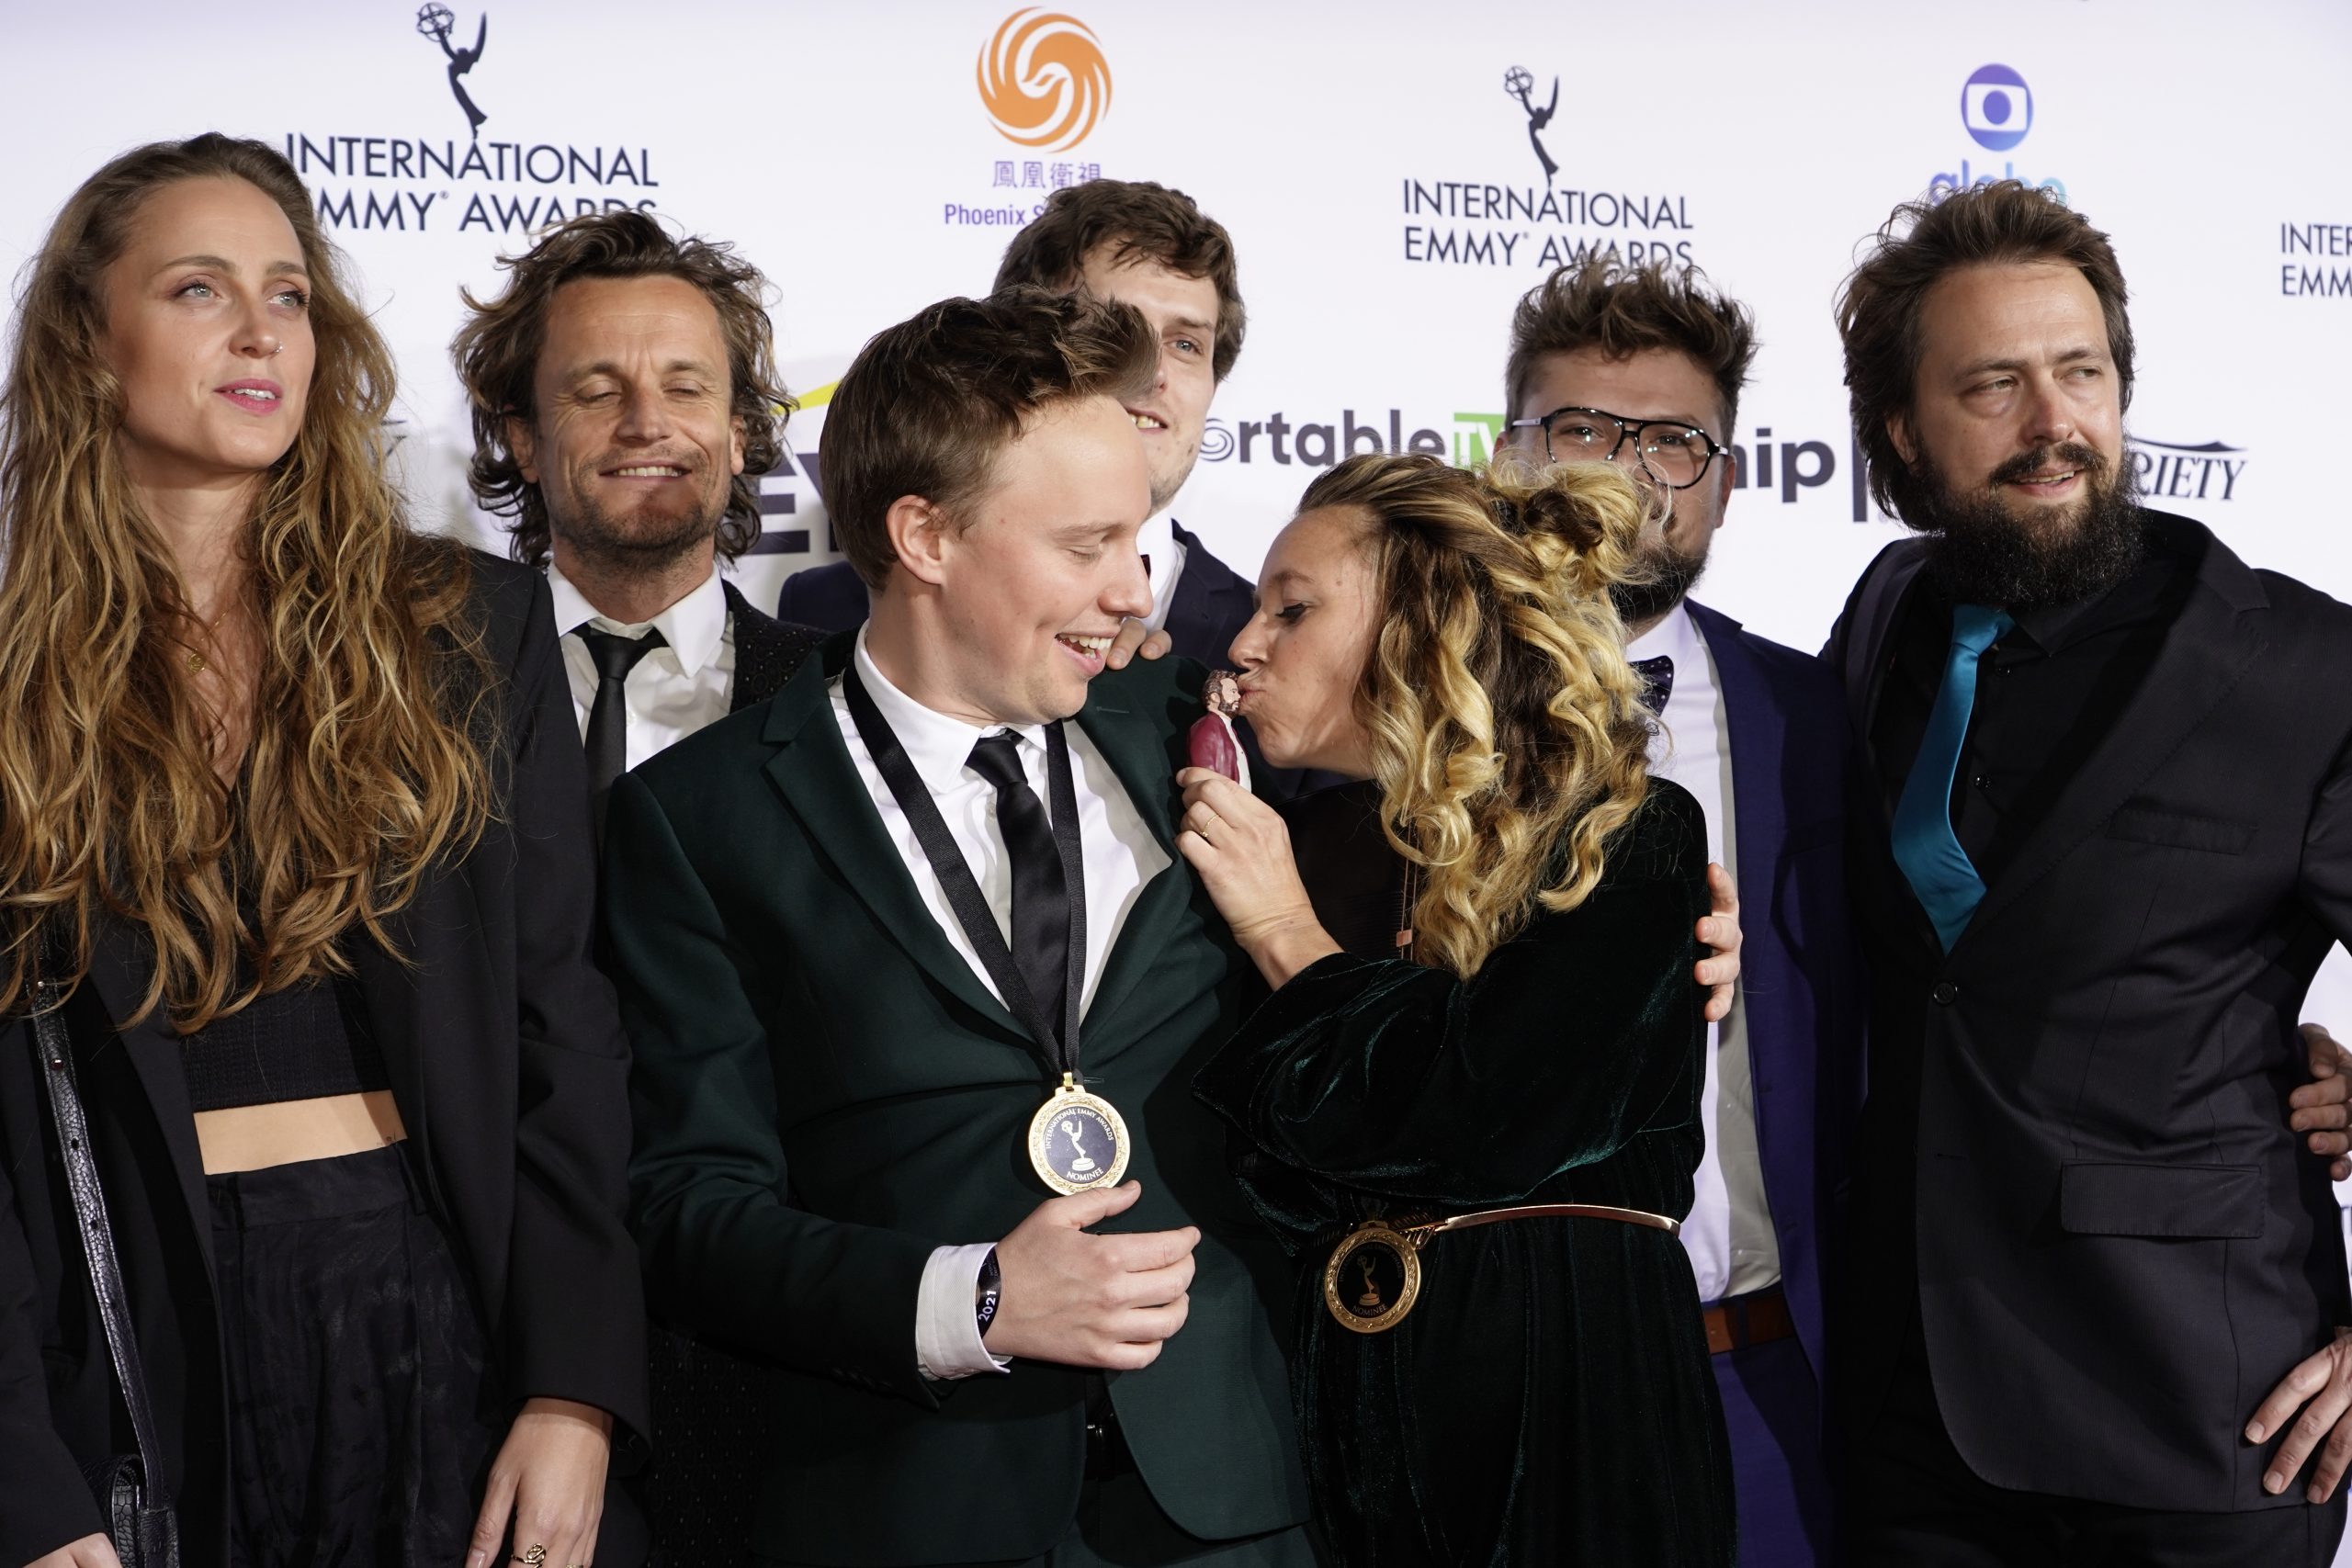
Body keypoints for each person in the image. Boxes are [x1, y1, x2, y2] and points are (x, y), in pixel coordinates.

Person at [0, 135, 645, 1568]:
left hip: (441, 1311)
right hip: (141, 1343)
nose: (257, 330)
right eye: (196, 287)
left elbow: (563, 1024)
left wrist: (575, 1382)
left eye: (288, 295)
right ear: (90, 351)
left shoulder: (470, 629)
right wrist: (30, 1498)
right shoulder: (15, 689)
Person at [600, 288, 1318, 1566]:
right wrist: (968, 1298)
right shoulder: (698, 818)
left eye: (1137, 537)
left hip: (1229, 1508)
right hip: (905, 1506)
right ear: (924, 533)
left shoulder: (1189, 738)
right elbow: (688, 1203)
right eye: (1088, 543)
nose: (1134, 587)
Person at [1826, 178, 2352, 1564]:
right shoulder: (1885, 618)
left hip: (2203, 1419)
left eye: (2082, 373)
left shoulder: (2304, 669)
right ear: (1903, 430)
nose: (2054, 424)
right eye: (1994, 386)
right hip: (1908, 1423)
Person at [1182, 451, 1737, 1566]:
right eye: (1251, 609)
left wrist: (1285, 936)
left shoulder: (1622, 832)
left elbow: (1481, 1123)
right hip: (1344, 1423)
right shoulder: (1314, 848)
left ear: (1421, 620)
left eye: (1292, 610)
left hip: (1569, 1397)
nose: (1243, 646)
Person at [1498, 258, 1863, 1566]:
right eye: (1583, 428)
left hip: (1764, 1383)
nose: (1625, 469)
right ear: (1508, 454)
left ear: (1722, 479)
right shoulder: (1387, 711)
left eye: (1672, 439)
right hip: (1489, 1403)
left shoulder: (1816, 720)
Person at [774, 180, 1329, 796]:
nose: (1153, 373)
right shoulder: (824, 610)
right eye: (1115, 329)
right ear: (1023, 343)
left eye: (1186, 343)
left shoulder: (1277, 644)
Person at [451, 209, 826, 824]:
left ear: (737, 435)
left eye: (685, 389)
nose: (647, 423)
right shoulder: (423, 684)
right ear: (525, 441)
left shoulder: (830, 695)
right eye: (598, 393)